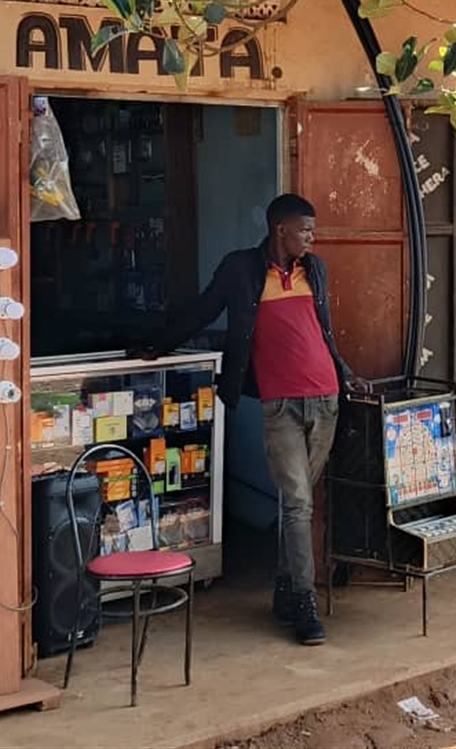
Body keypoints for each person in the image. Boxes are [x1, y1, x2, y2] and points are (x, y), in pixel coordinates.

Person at [134, 193, 359, 645]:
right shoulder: (240, 268)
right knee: (297, 503)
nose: (312, 238)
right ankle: (302, 603)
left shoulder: (314, 269)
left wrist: (345, 373)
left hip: (326, 397)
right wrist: (156, 346)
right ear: (281, 230)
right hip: (279, 403)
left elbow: (324, 331)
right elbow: (202, 310)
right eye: (305, 230)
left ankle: (283, 589)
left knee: (299, 504)